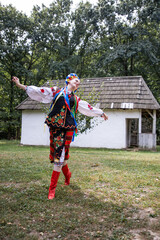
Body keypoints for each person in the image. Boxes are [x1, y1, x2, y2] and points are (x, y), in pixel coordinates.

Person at [12, 73, 108, 199]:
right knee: (59, 155)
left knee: (60, 155)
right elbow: (39, 91)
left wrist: (101, 113)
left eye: (79, 81)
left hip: (68, 128)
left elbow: (88, 108)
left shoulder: (76, 99)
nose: (78, 82)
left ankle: (56, 185)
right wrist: (20, 85)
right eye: (76, 80)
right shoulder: (56, 92)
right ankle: (63, 178)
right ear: (68, 81)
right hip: (55, 127)